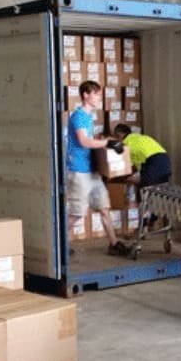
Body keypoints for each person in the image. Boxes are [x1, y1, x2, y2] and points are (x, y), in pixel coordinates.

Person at [67, 80, 131, 255]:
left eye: (98, 94)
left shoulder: (89, 117)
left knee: (104, 207)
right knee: (77, 213)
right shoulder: (79, 116)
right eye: (95, 94)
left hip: (92, 170)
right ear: (85, 95)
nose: (98, 97)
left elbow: (91, 140)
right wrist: (108, 142)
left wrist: (104, 143)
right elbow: (83, 141)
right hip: (79, 170)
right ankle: (57, 245)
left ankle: (113, 243)